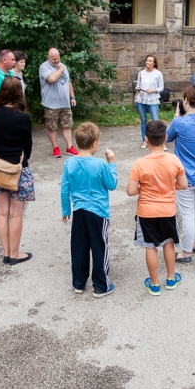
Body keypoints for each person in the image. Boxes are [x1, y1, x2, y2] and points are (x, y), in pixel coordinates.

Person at [127, 120, 188, 296]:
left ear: (146, 139)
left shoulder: (139, 164)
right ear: (166, 138)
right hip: (167, 210)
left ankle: (154, 284)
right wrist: (169, 185)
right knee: (168, 243)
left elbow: (131, 191)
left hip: (146, 212)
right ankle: (170, 278)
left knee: (150, 246)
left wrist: (143, 187)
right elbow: (183, 184)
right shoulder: (174, 160)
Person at [61, 122, 118, 298]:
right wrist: (112, 163)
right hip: (98, 212)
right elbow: (112, 184)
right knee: (99, 246)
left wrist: (65, 210)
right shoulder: (100, 164)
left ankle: (79, 282)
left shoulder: (69, 163)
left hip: (78, 210)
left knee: (79, 246)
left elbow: (65, 188)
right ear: (94, 143)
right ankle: (101, 285)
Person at [0, 77, 34, 265]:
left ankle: (5, 252)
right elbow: (27, 147)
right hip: (17, 169)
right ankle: (15, 253)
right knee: (16, 214)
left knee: (2, 213)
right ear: (19, 93)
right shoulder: (22, 117)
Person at [166, 85, 195, 263]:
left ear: (185, 101)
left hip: (184, 177)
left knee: (187, 215)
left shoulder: (179, 123)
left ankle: (186, 252)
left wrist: (176, 116)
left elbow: (166, 137)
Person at [39, 48, 78, 158]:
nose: (56, 61)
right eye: (54, 59)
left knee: (67, 125)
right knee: (52, 126)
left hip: (65, 102)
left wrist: (72, 97)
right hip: (51, 103)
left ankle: (69, 147)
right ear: (49, 58)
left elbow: (68, 82)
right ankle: (55, 147)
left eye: (58, 58)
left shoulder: (63, 66)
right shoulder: (44, 67)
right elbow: (51, 79)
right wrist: (61, 68)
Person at [134, 54, 164, 149]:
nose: (148, 62)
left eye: (150, 61)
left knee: (156, 121)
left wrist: (152, 90)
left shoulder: (158, 73)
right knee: (143, 120)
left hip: (153, 98)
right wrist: (138, 88)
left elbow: (161, 88)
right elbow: (138, 85)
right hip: (141, 99)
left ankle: (160, 142)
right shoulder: (141, 73)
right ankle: (144, 140)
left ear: (154, 63)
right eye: (147, 60)